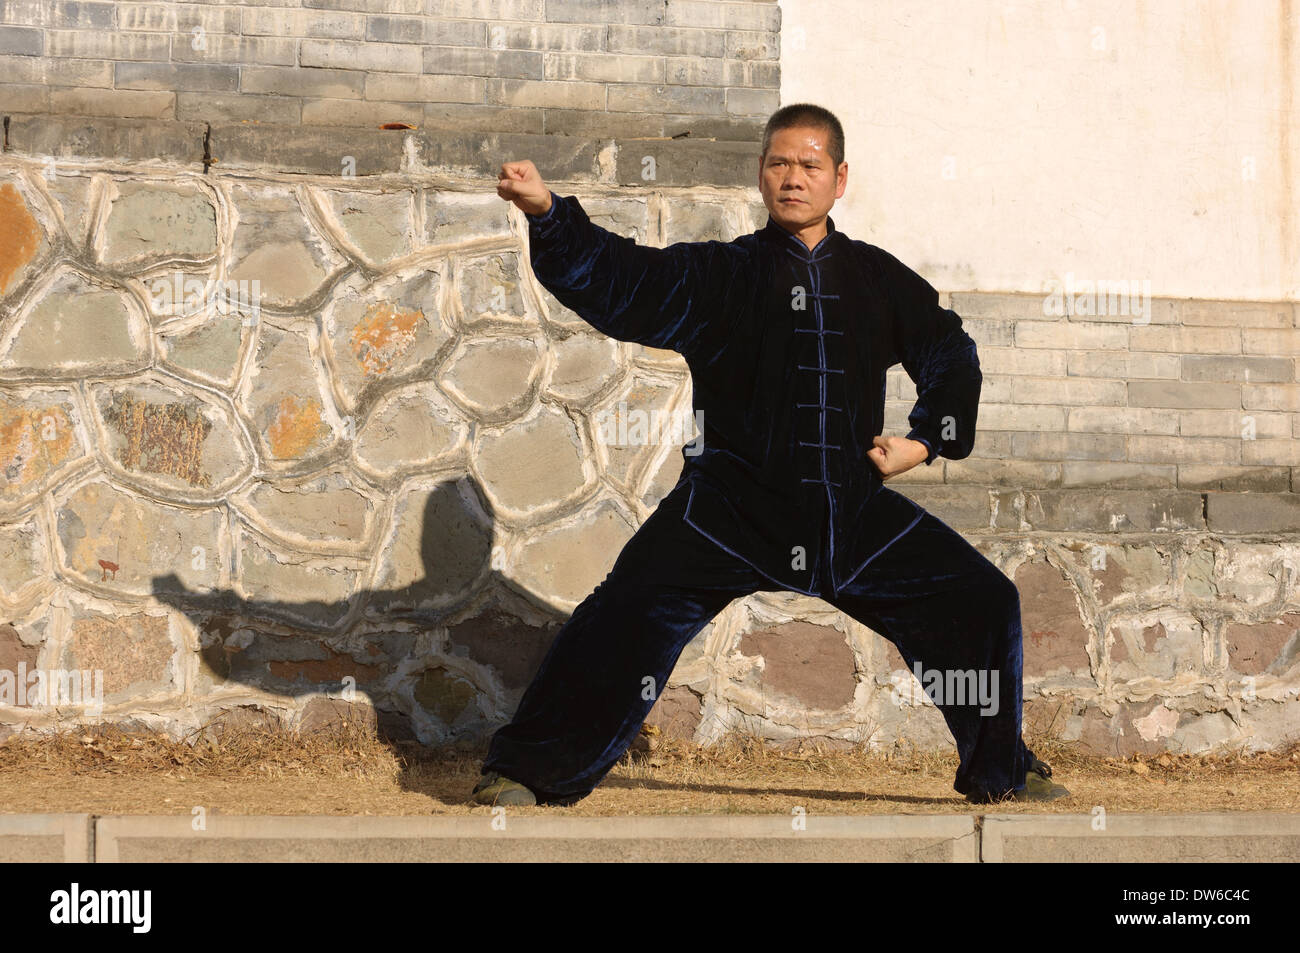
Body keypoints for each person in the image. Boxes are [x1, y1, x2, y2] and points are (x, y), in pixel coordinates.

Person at [473, 103, 1069, 808]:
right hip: (727, 510)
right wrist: (549, 215)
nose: (793, 178)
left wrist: (925, 437)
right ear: (761, 173)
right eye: (779, 163)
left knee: (979, 599)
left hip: (848, 511)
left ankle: (1003, 766)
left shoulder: (877, 280)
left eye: (810, 164)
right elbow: (623, 279)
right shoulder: (723, 275)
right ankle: (525, 770)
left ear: (839, 178)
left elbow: (949, 350)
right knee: (623, 615)